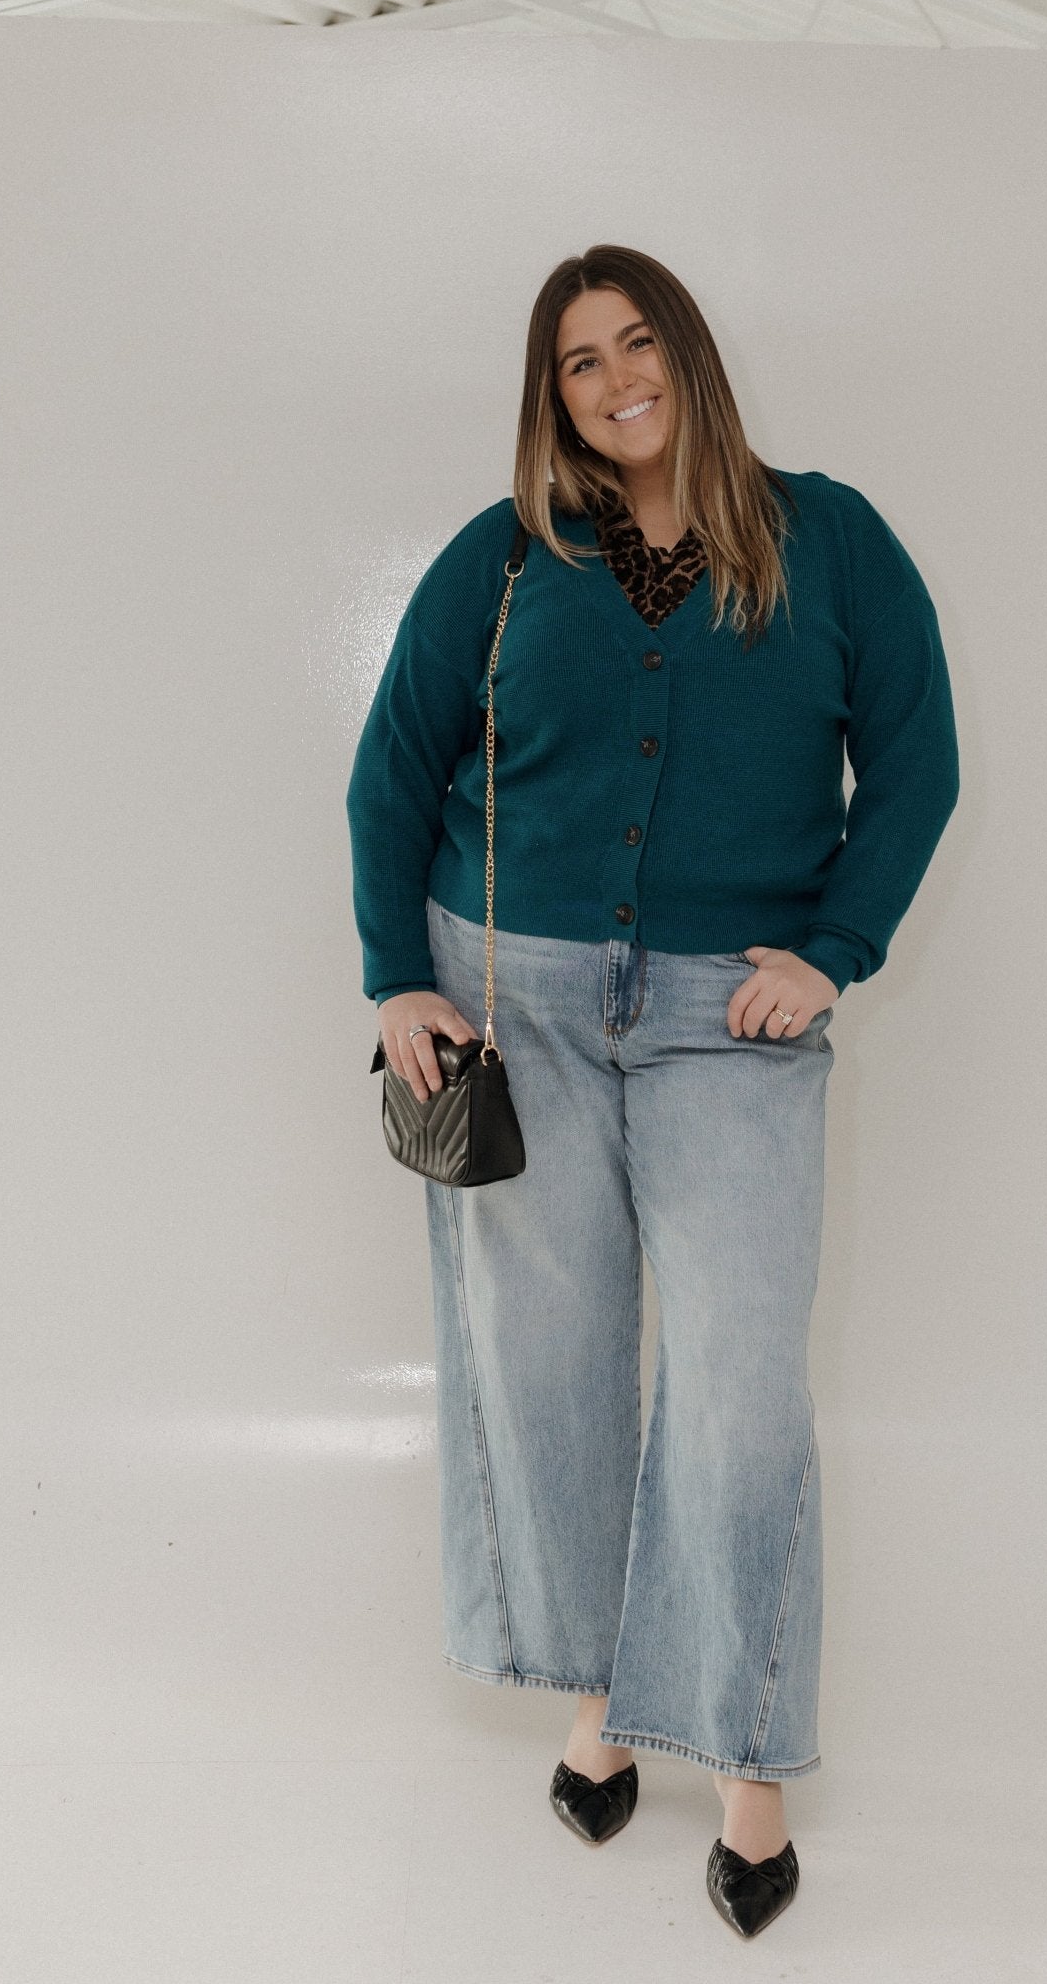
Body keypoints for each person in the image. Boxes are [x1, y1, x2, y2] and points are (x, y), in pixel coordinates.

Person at [345, 244, 960, 1939]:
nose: (614, 379)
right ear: (551, 396)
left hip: (730, 1021)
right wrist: (395, 974)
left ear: (685, 353)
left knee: (741, 1387)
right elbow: (396, 765)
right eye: (577, 361)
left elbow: (915, 763)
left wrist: (831, 949)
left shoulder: (830, 538)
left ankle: (746, 1755)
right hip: (508, 1006)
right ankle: (605, 1694)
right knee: (544, 1370)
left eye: (635, 344)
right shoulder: (505, 554)